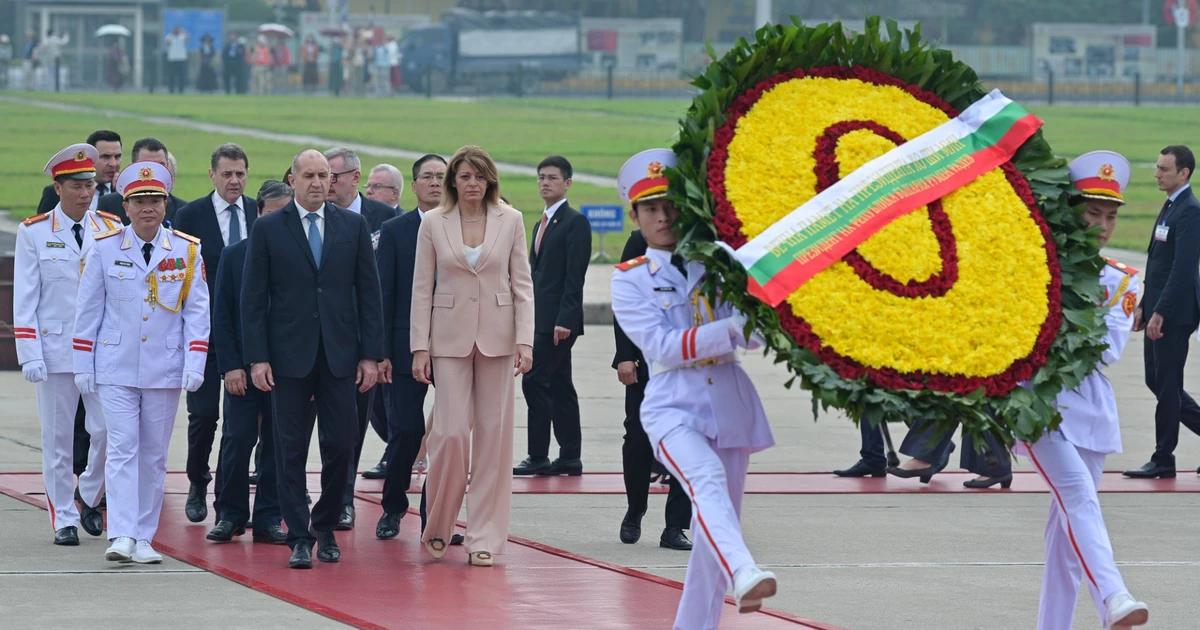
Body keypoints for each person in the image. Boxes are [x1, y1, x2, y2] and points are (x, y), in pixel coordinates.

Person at [610, 148, 777, 628]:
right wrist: (730, 328)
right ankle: (744, 569)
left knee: (712, 530)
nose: (662, 217)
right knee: (705, 485)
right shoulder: (631, 279)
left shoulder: (720, 262)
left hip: (730, 401)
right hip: (672, 404)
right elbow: (662, 347)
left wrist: (763, 307)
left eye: (670, 205)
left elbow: (757, 335)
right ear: (635, 216)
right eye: (650, 209)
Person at [1019, 150, 1149, 629]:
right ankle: (1114, 596)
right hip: (1036, 404)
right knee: (1079, 498)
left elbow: (1105, 350)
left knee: (1065, 541)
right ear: (1070, 209)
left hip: (1090, 409)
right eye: (1092, 212)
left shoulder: (1121, 279)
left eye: (1111, 215)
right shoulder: (1032, 261)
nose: (1103, 223)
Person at [241, 149, 384, 569]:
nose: (319, 182)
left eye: (325, 175)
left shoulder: (353, 225)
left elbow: (368, 295)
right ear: (293, 178)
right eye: (310, 175)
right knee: (288, 449)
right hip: (287, 358)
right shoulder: (269, 228)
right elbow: (253, 299)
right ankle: (299, 536)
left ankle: (325, 527)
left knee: (341, 444)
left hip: (340, 356)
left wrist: (371, 355)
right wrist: (257, 359)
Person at [73, 161, 210, 564]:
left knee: (153, 454)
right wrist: (83, 362)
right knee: (121, 448)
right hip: (115, 364)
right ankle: (121, 533)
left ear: (165, 203)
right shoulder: (105, 246)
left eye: (155, 200)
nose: (148, 207)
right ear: (126, 206)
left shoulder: (186, 249)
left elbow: (197, 311)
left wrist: (195, 362)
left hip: (163, 366)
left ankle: (145, 537)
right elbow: (88, 308)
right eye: (139, 201)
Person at [412, 145, 534, 567]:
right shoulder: (432, 222)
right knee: (447, 435)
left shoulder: (512, 220)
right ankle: (440, 525)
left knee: (493, 440)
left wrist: (525, 341)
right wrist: (419, 347)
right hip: (447, 341)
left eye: (479, 177)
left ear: (490, 181)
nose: (472, 184)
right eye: (464, 177)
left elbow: (522, 284)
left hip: (500, 340)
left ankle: (484, 536)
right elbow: (421, 288)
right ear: (453, 181)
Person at [15, 144, 119, 546]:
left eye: (90, 184)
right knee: (57, 441)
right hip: (55, 350)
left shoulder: (110, 227)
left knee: (108, 430)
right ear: (57, 187)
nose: (86, 193)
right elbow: (26, 296)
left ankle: (88, 492)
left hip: (99, 351)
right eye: (76, 185)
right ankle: (63, 518)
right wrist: (29, 352)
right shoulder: (35, 231)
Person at [174, 143, 258, 523]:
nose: (234, 180)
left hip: (249, 336)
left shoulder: (262, 214)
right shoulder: (190, 216)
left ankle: (231, 493)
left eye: (240, 173)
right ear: (212, 175)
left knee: (245, 424)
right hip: (203, 334)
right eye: (227, 174)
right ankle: (197, 481)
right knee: (204, 414)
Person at [206, 180, 292, 545]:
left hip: (287, 369)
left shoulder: (299, 256)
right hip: (242, 367)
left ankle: (270, 516)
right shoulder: (235, 254)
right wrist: (231, 367)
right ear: (258, 214)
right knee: (238, 439)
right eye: (271, 215)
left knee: (277, 444)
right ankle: (230, 514)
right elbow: (222, 315)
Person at [322, 146, 397, 530]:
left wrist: (378, 349)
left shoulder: (385, 220)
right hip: (318, 338)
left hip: (363, 342)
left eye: (333, 176)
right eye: (322, 175)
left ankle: (344, 499)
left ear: (355, 177)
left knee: (351, 428)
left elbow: (386, 288)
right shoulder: (313, 216)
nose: (327, 184)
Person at [362, 154, 446, 481]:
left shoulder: (466, 229)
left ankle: (437, 517)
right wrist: (380, 351)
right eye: (428, 176)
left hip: (453, 345)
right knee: (406, 431)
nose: (436, 182)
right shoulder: (395, 230)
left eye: (442, 176)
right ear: (413, 186)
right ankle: (394, 505)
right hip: (403, 347)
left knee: (450, 435)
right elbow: (384, 295)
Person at [613, 228, 693, 551]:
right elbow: (624, 302)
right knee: (637, 438)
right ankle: (635, 509)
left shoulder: (701, 239)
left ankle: (675, 526)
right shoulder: (640, 240)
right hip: (646, 359)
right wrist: (625, 356)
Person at [1125, 145, 1200, 479]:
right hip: (1157, 307)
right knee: (1155, 380)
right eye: (1156, 167)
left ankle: (1163, 458)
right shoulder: (1171, 205)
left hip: (1175, 313)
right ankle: (1164, 455)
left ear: (1183, 173)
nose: (1156, 174)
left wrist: (1161, 313)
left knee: (1167, 385)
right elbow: (1157, 264)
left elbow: (1182, 270)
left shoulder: (1190, 211)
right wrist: (1144, 305)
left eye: (1163, 169)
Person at [514, 156, 591, 477]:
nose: (545, 182)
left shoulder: (575, 222)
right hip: (540, 319)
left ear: (567, 183)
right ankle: (570, 455)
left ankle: (538, 455)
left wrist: (565, 319)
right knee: (559, 385)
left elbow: (575, 278)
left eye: (553, 178)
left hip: (559, 321)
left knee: (534, 380)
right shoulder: (540, 223)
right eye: (541, 177)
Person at [96, 138, 183, 227]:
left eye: (160, 165)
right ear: (131, 168)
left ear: (168, 166)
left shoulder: (183, 209)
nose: (154, 171)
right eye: (146, 165)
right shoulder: (109, 204)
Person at [165, 26, 189, 94]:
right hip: (172, 59)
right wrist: (173, 34)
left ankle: (181, 90)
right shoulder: (169, 36)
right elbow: (167, 42)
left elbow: (188, 37)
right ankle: (171, 90)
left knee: (181, 76)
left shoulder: (182, 36)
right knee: (171, 76)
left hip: (181, 59)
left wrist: (183, 31)